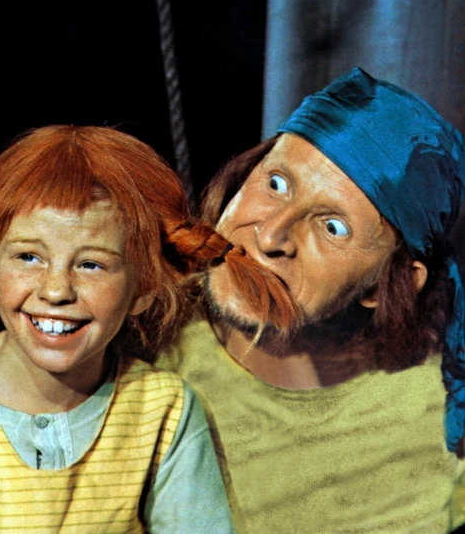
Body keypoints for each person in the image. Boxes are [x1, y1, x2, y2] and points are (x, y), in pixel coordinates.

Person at [0, 125, 299, 533]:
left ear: (144, 288)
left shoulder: (163, 410)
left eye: (92, 264)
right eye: (28, 257)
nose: (56, 291)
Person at [159, 67, 465, 533]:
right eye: (276, 184)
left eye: (333, 227)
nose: (271, 236)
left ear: (387, 283)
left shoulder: (438, 415)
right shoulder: (133, 330)